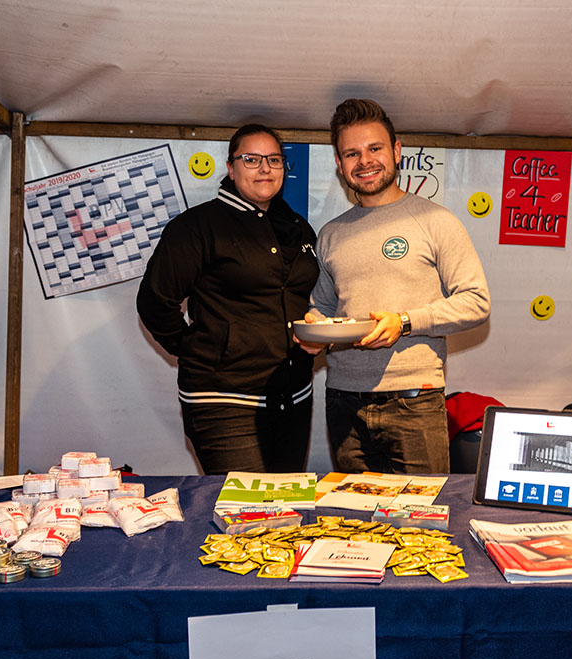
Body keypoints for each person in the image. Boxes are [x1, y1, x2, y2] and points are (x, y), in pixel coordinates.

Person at [299, 98, 490, 474]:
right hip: (343, 401)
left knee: (423, 510)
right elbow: (322, 307)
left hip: (414, 402)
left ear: (397, 151)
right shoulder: (332, 233)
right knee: (352, 510)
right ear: (339, 163)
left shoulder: (435, 221)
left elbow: (476, 302)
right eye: (352, 153)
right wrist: (314, 331)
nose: (364, 161)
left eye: (375, 149)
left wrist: (404, 321)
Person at [137, 124, 319, 473]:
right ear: (231, 168)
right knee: (243, 506)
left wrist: (316, 334)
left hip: (293, 399)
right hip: (223, 402)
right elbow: (154, 302)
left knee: (285, 504)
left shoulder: (298, 228)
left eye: (274, 159)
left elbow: (304, 299)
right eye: (251, 159)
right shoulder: (197, 227)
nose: (265, 168)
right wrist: (200, 350)